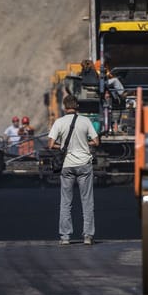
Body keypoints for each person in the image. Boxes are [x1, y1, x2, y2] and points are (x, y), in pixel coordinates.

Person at [48, 95, 99, 245]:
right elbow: (96, 141)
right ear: (77, 107)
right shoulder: (85, 121)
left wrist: (62, 146)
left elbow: (51, 144)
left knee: (65, 202)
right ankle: (88, 236)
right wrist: (85, 142)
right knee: (87, 201)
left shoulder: (59, 122)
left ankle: (65, 237)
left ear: (64, 107)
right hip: (84, 164)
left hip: (67, 165)